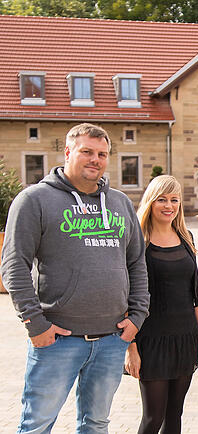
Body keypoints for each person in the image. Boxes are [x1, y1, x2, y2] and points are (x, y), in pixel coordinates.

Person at [2, 123, 150, 433]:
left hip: (112, 339)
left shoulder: (120, 203)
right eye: (86, 152)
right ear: (68, 152)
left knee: (96, 424)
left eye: (102, 154)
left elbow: (136, 262)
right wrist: (35, 324)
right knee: (37, 425)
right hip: (57, 341)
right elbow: (13, 265)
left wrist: (138, 315)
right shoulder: (34, 200)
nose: (95, 159)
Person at [124, 175, 198, 433]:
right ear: (151, 202)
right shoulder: (138, 242)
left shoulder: (186, 238)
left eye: (174, 200)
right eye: (162, 199)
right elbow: (127, 297)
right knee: (153, 419)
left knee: (174, 417)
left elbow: (196, 293)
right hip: (151, 341)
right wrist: (131, 348)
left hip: (185, 338)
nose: (169, 206)